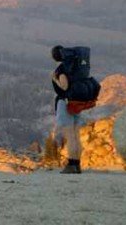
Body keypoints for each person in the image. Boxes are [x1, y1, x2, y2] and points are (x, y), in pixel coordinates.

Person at [51, 45, 82, 174]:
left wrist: (54, 79)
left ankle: (72, 164)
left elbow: (64, 87)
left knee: (70, 136)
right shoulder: (74, 68)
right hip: (75, 103)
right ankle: (76, 163)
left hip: (65, 103)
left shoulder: (62, 70)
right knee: (75, 135)